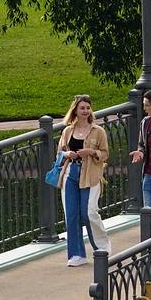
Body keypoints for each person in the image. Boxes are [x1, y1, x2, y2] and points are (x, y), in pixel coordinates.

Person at [56, 93, 110, 267]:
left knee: (88, 213)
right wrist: (67, 154)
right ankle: (76, 254)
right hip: (70, 173)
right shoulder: (68, 131)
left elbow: (105, 154)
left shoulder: (98, 131)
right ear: (75, 111)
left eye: (88, 108)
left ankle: (102, 247)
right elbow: (60, 152)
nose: (86, 111)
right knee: (71, 215)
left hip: (90, 174)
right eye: (82, 108)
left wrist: (92, 152)